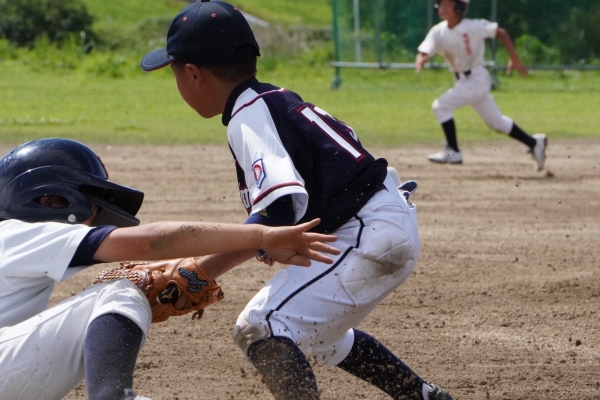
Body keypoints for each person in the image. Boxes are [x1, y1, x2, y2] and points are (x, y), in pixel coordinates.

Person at [141, 1, 453, 399]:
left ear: (193, 74)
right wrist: (272, 242)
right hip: (375, 224)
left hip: (366, 231)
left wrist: (201, 271)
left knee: (261, 325)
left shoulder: (248, 114)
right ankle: (423, 395)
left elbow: (278, 211)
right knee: (319, 336)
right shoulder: (273, 99)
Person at [0, 138, 340, 400]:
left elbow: (169, 279)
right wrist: (262, 235)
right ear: (48, 199)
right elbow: (153, 242)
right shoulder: (16, 233)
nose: (91, 221)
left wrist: (254, 246)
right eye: (90, 208)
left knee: (125, 294)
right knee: (119, 290)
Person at [415, 0, 548, 170]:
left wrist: (514, 59)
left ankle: (453, 151)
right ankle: (534, 143)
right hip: (463, 80)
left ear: (459, 7)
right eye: (441, 5)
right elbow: (424, 51)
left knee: (440, 106)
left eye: (449, 4)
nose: (444, 8)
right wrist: (421, 59)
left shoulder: (473, 26)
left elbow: (500, 32)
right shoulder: (438, 31)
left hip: (476, 78)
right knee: (497, 123)